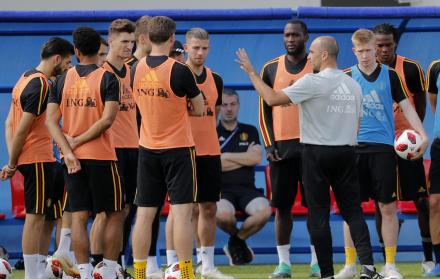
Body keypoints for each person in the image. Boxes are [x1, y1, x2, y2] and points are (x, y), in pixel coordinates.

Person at [235, 35, 388, 279]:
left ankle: (326, 274)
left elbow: (273, 99)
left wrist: (253, 74)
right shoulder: (354, 85)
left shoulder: (313, 82)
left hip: (316, 153)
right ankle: (368, 268)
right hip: (347, 152)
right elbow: (357, 124)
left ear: (324, 55)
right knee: (354, 213)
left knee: (318, 214)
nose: (309, 57)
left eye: (314, 53)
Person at [336, 23, 432, 279]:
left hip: (384, 149)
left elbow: (407, 107)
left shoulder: (390, 75)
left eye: (369, 50)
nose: (366, 55)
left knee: (388, 207)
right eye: (361, 51)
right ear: (354, 51)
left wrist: (423, 134)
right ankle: (349, 264)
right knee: (351, 209)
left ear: (374, 50)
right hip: (353, 150)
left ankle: (390, 265)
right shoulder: (345, 77)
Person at [46, 26, 124, 279]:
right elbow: (107, 121)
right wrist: (76, 143)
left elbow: (50, 121)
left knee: (78, 217)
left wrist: (68, 150)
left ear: (76, 51)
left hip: (73, 160)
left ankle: (84, 270)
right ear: (99, 50)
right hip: (101, 155)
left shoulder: (61, 79)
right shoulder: (108, 78)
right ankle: (110, 269)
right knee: (114, 213)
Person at [130, 16, 204, 279]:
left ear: (148, 38)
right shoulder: (179, 70)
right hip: (178, 149)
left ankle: (139, 273)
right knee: (182, 215)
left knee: (145, 214)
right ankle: (185, 274)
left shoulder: (135, 68)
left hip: (147, 147)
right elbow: (200, 108)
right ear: (173, 38)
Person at [1, 37, 73, 279]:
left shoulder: (24, 78)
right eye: (67, 61)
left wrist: (15, 160)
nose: (68, 66)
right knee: (35, 218)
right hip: (38, 159)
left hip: (36, 159)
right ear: (56, 58)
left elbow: (8, 122)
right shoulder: (41, 85)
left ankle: (42, 270)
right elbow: (20, 127)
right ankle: (33, 275)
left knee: (49, 216)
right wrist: (13, 163)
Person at [259, 19, 319, 278]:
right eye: (287, 35)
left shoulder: (316, 67)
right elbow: (264, 110)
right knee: (282, 207)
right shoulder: (271, 68)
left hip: (313, 145)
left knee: (316, 206)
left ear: (306, 36)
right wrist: (269, 144)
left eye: (295, 34)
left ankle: (317, 262)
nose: (290, 39)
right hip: (281, 148)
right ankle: (284, 264)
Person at [216, 88, 272, 266]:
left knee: (264, 212)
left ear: (238, 106)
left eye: (233, 104)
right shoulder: (212, 131)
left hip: (247, 189)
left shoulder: (250, 130)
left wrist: (225, 157)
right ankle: (238, 241)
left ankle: (236, 241)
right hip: (221, 191)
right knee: (223, 215)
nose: (229, 109)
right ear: (219, 107)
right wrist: (242, 158)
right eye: (224, 105)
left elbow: (255, 158)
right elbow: (213, 165)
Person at [424, 59, 440, 277]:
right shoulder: (436, 67)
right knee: (435, 202)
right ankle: (439, 261)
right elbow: (433, 104)